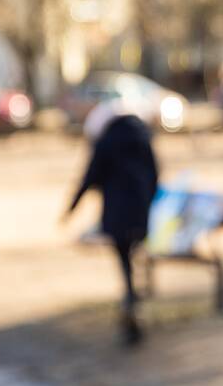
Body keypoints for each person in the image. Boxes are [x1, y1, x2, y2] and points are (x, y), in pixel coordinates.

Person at [63, 97, 159, 346]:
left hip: (117, 211)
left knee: (123, 257)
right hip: (140, 208)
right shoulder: (142, 136)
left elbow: (90, 176)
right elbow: (156, 171)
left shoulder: (106, 141)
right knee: (136, 251)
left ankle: (130, 296)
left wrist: (71, 208)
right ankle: (134, 296)